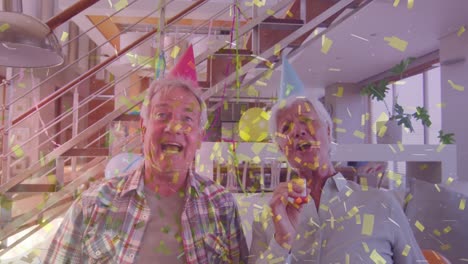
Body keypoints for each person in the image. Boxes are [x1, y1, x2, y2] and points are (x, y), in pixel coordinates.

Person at [45, 45, 248, 263]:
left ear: (199, 137)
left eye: (187, 119)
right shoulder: (93, 205)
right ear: (143, 128)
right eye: (162, 115)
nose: (174, 127)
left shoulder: (221, 205)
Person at [248, 55, 425, 263]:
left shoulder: (382, 204)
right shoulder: (268, 218)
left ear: (329, 131)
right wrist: (282, 242)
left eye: (306, 120)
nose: (297, 131)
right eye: (286, 128)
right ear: (281, 149)